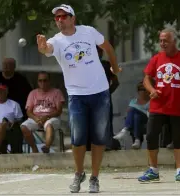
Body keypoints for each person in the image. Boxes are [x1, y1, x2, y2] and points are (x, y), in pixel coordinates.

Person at [36, 4, 121, 193]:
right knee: (78, 138)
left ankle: (95, 177)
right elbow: (47, 49)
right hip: (76, 95)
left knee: (99, 138)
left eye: (63, 16)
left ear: (73, 18)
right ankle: (79, 173)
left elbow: (107, 47)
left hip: (100, 92)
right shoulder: (56, 41)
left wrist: (115, 68)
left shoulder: (88, 32)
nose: (60, 20)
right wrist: (42, 48)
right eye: (57, 18)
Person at [138, 28, 180, 182]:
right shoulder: (156, 59)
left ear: (174, 42)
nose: (162, 43)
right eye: (161, 40)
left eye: (166, 40)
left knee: (178, 138)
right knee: (151, 135)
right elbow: (146, 78)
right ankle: (153, 170)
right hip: (158, 106)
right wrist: (151, 90)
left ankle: (179, 170)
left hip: (177, 106)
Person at [21, 71, 65, 153]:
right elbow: (28, 111)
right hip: (36, 118)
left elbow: (59, 111)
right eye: (40, 80)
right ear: (37, 82)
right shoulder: (33, 93)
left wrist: (47, 117)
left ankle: (46, 147)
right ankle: (34, 149)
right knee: (24, 127)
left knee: (49, 124)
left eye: (45, 80)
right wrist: (36, 118)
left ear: (49, 81)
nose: (42, 83)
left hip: (52, 117)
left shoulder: (57, 92)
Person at [86, 46, 119, 151]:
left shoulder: (106, 65)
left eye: (99, 51)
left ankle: (107, 144)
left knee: (106, 121)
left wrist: (107, 93)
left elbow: (116, 82)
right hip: (90, 98)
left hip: (104, 99)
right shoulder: (86, 65)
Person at [113, 82, 150, 149]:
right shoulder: (133, 101)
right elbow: (129, 113)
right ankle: (137, 140)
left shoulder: (150, 102)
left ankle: (124, 130)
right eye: (140, 89)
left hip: (146, 122)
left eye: (144, 89)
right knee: (136, 116)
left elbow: (150, 114)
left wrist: (137, 110)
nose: (142, 91)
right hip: (135, 122)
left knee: (133, 110)